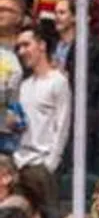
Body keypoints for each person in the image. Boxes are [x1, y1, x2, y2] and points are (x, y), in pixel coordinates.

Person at [13, 25, 70, 208]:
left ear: (42, 45)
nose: (21, 52)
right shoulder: (24, 85)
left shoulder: (58, 82)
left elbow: (63, 125)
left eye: (26, 45)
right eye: (18, 47)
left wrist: (50, 164)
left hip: (42, 166)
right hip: (19, 163)